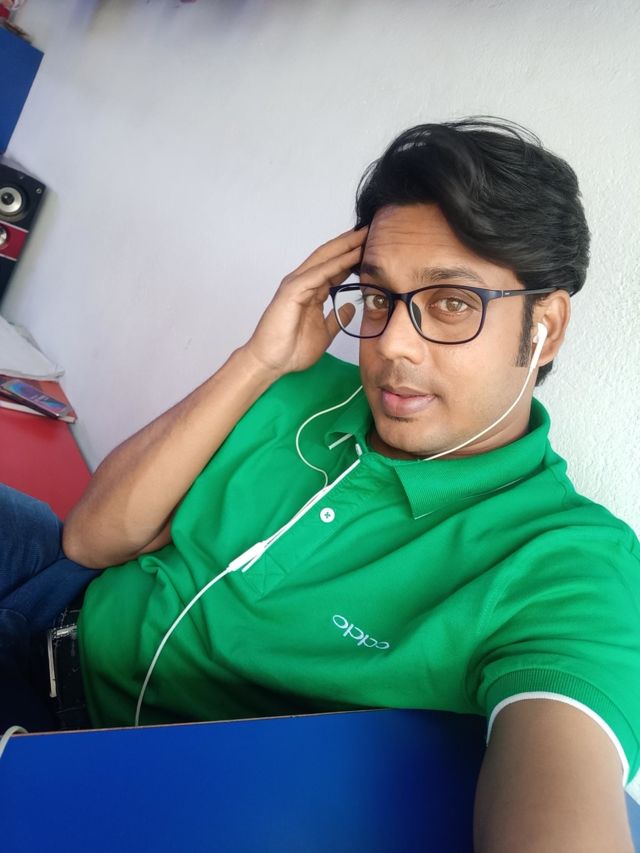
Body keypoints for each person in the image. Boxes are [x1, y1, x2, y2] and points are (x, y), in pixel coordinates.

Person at [1, 117, 639, 850]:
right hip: (56, 592)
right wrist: (260, 359)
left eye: (452, 303)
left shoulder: (568, 564)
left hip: (99, 764)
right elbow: (90, 539)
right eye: (379, 296)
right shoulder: (305, 388)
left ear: (545, 327)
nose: (392, 344)